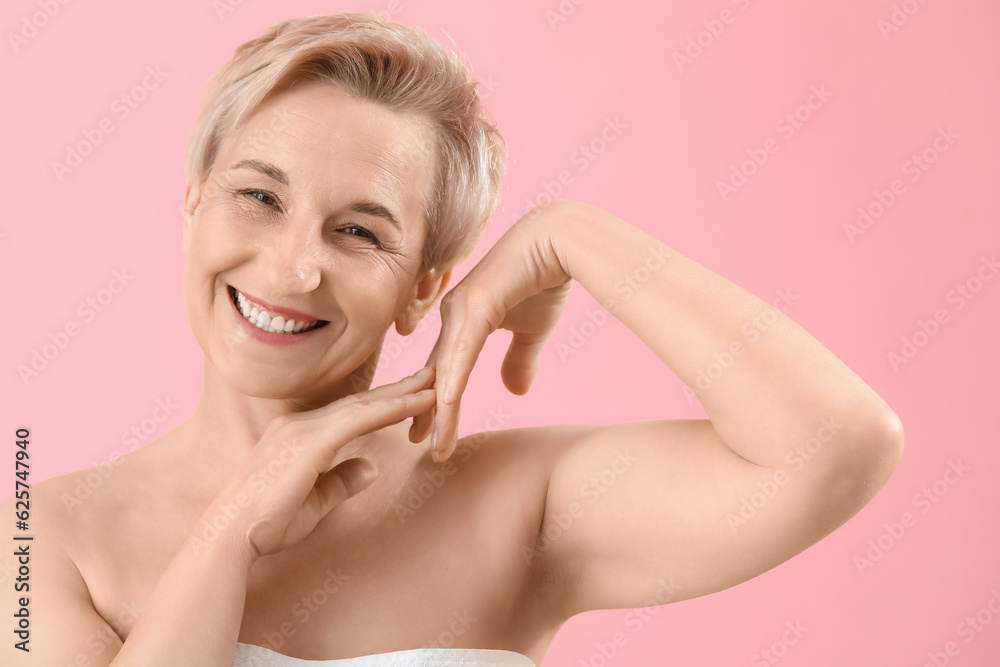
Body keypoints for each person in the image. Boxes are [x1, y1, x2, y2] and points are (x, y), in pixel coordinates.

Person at [2, 12, 904, 667]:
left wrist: (570, 236)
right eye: (260, 196)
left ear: (425, 286)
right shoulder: (35, 532)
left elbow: (835, 446)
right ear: (191, 206)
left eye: (361, 231)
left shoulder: (521, 507)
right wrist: (230, 533)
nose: (291, 268)